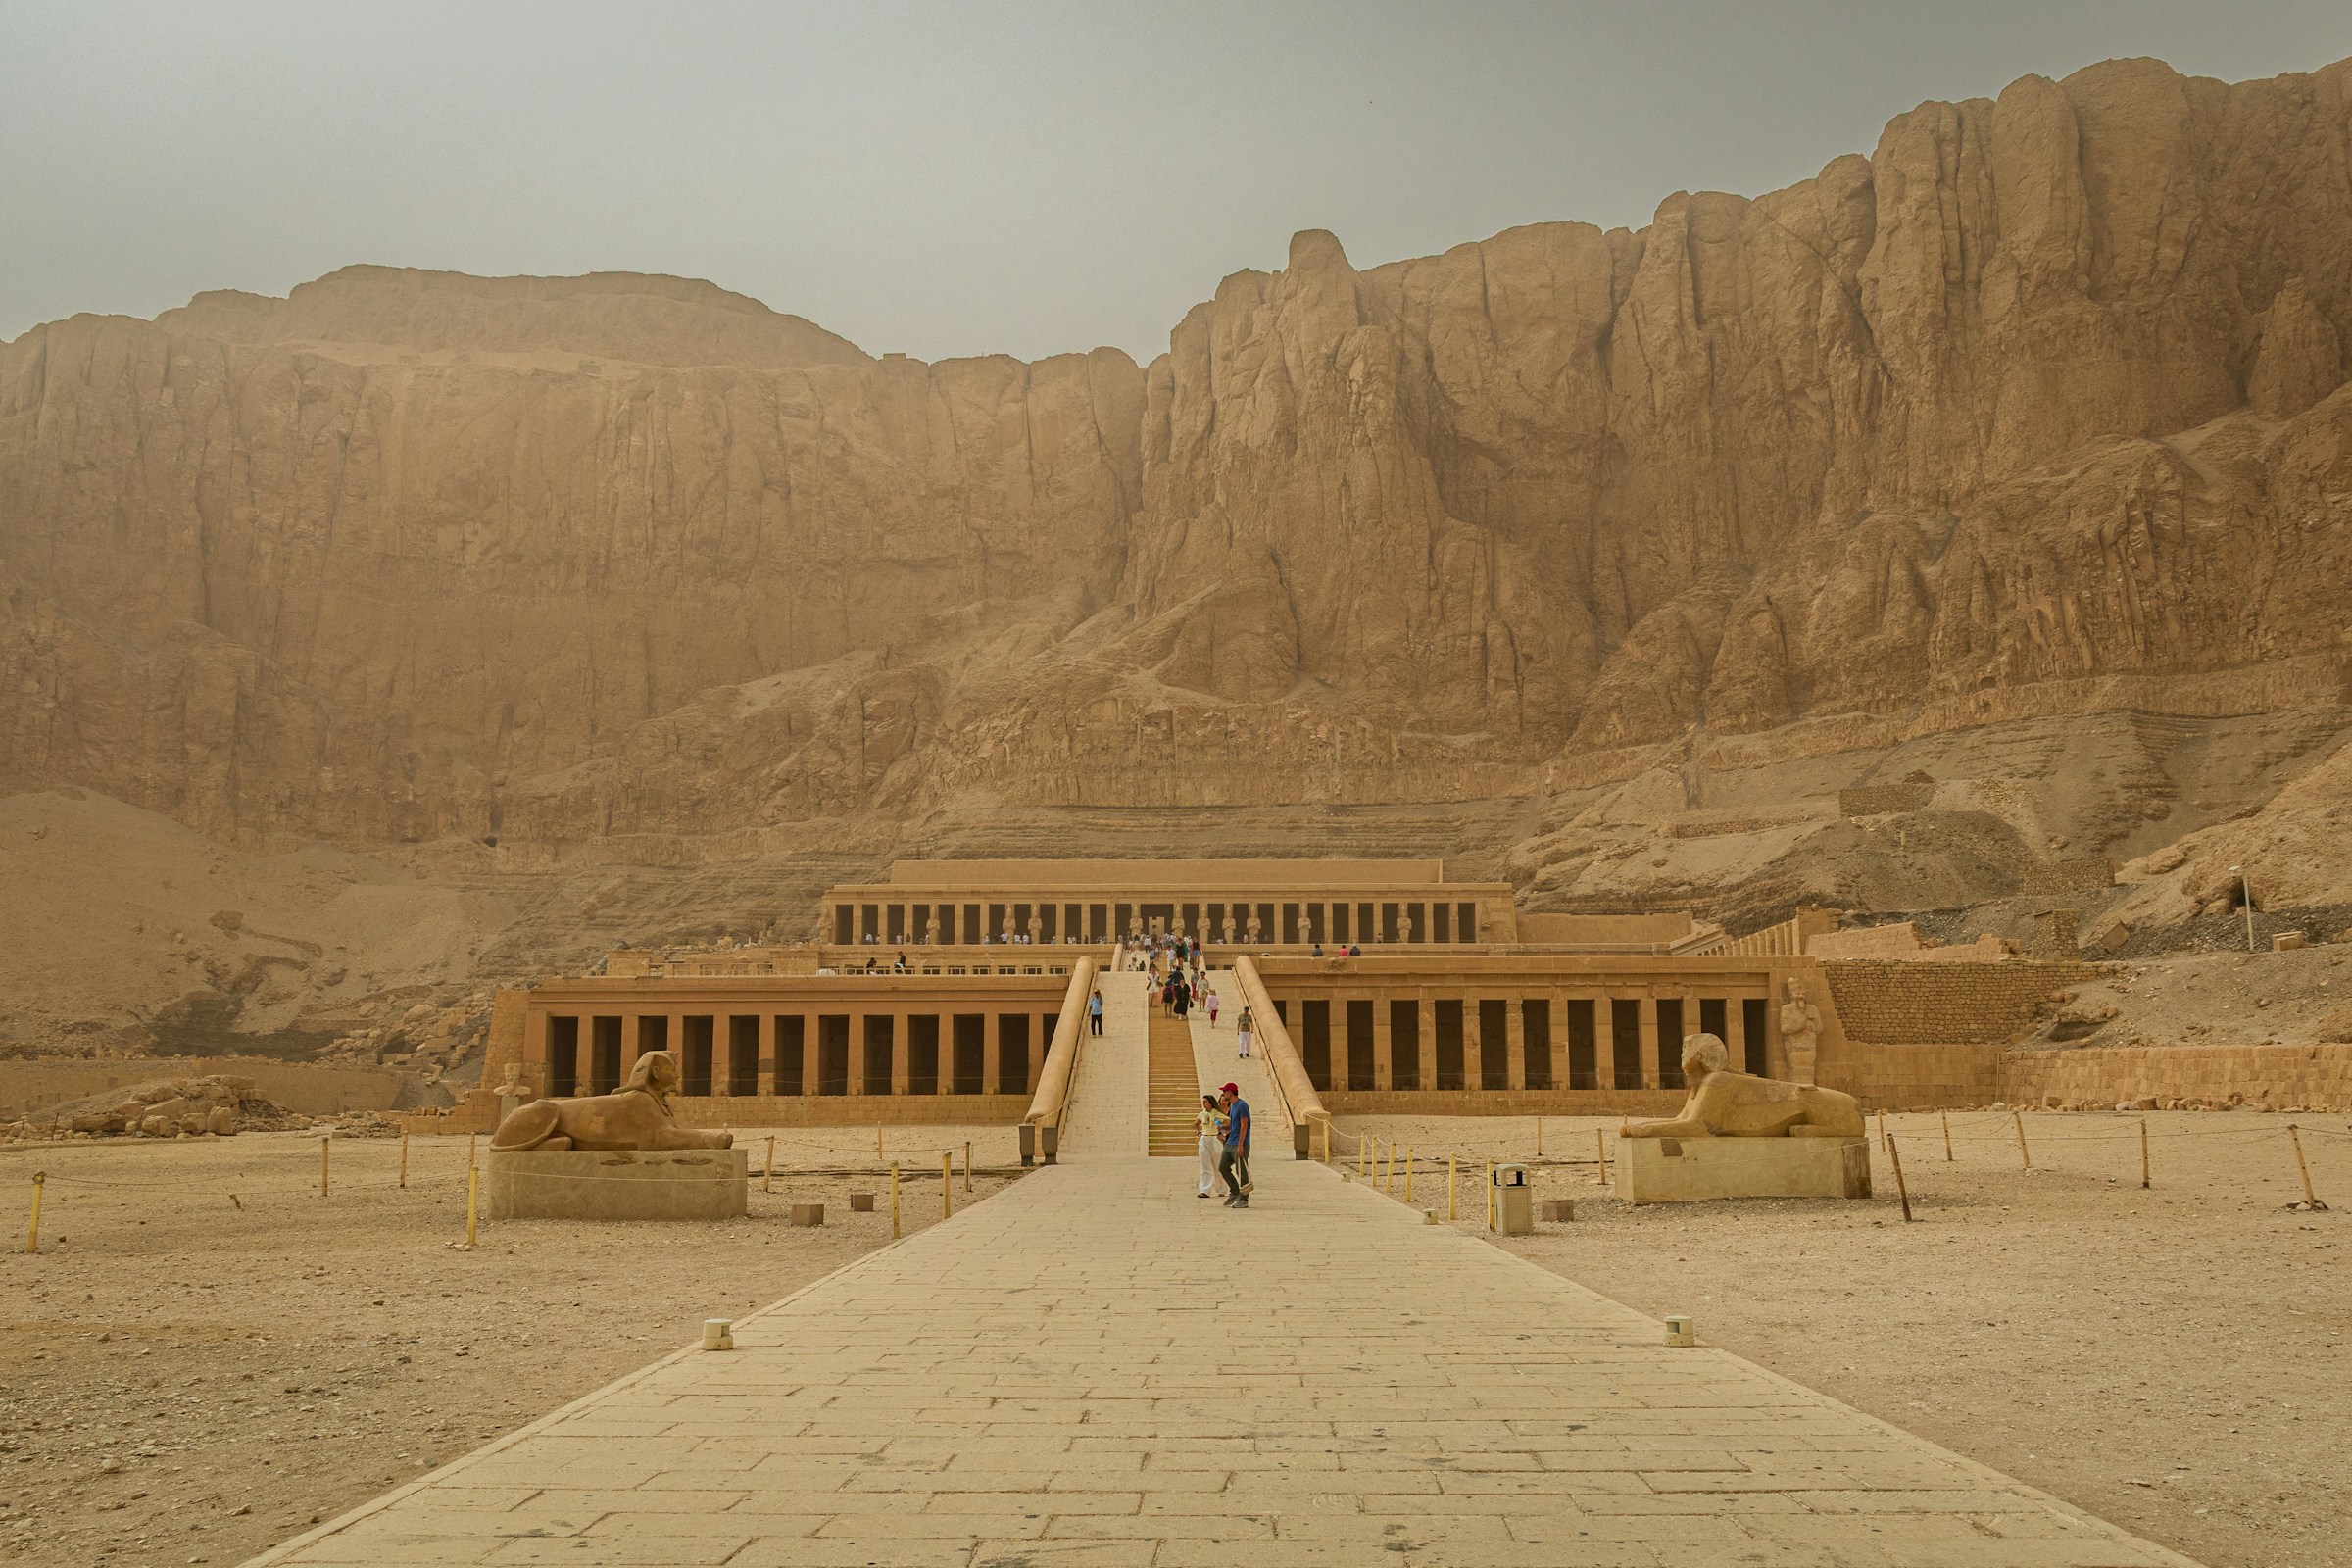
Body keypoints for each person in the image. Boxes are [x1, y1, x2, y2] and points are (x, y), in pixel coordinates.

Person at [1217, 1082, 1251, 1206]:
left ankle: (1244, 1199)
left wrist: (1240, 1145)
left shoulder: (1242, 1105)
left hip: (1239, 1143)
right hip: (1230, 1142)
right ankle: (1235, 1191)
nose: (1223, 1093)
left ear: (1230, 1092)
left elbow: (1244, 1126)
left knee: (1241, 1171)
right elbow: (1234, 1125)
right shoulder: (1233, 1106)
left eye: (1225, 1091)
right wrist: (1223, 1130)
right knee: (1223, 1167)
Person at [1195, 1093, 1224, 1197]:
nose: (1204, 1104)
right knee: (1205, 1165)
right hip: (1204, 1139)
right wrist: (1198, 1132)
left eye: (1205, 1102)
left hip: (1214, 1139)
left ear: (1211, 1103)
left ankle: (1221, 1188)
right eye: (1203, 1102)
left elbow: (1223, 1126)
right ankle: (1205, 1190)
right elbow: (1196, 1123)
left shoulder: (1216, 1114)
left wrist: (1222, 1133)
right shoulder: (1202, 1114)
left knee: (1217, 1165)